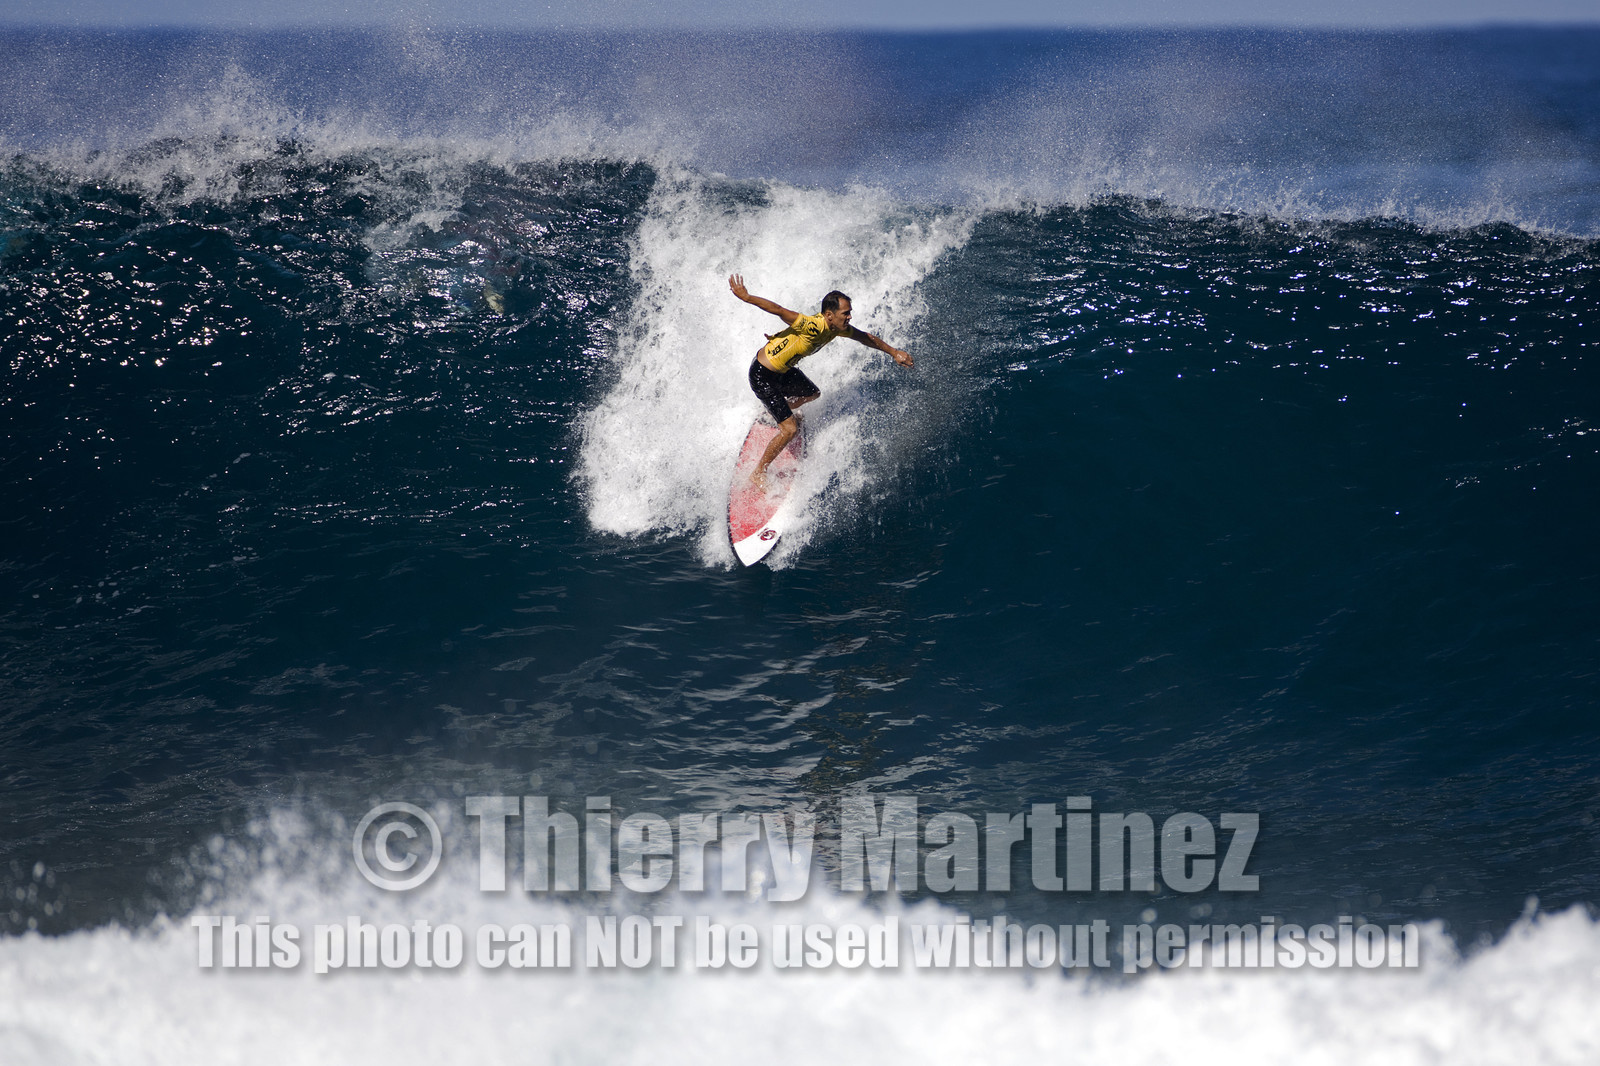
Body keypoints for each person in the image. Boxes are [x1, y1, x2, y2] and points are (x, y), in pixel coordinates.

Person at [728, 274, 914, 488]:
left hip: (783, 370)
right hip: (763, 376)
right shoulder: (812, 326)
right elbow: (779, 310)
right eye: (846, 313)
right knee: (790, 430)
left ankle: (778, 412)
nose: (849, 317)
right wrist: (747, 297)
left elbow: (864, 337)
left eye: (849, 312)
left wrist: (893, 352)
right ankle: (759, 472)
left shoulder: (837, 329)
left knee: (812, 394)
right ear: (829, 315)